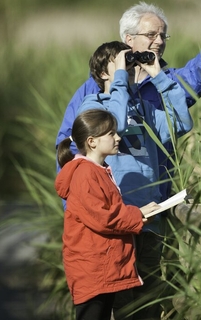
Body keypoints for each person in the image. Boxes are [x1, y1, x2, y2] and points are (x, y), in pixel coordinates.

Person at [56, 1, 201, 203]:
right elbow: (72, 145)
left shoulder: (163, 83)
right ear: (128, 39)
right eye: (151, 35)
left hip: (151, 200)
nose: (159, 41)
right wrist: (75, 204)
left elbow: (195, 78)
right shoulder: (92, 93)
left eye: (163, 36)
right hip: (109, 204)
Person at [75, 40, 193, 319]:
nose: (128, 68)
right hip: (117, 224)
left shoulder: (142, 108)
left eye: (129, 63)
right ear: (105, 73)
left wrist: (158, 76)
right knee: (121, 304)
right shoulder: (93, 106)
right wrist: (119, 78)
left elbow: (182, 124)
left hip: (149, 221)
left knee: (146, 304)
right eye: (121, 63)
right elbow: (113, 121)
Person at [55, 108, 161, 320]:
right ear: (92, 142)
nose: (118, 137)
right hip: (92, 269)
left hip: (100, 268)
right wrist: (136, 215)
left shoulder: (99, 170)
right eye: (111, 133)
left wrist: (138, 214)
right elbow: (103, 217)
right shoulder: (85, 174)